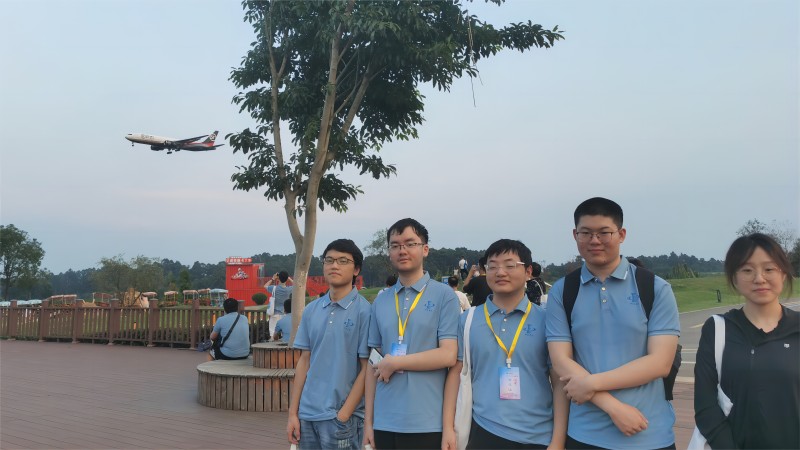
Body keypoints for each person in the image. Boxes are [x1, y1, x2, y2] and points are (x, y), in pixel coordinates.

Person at [546, 197, 680, 449]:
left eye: (604, 232)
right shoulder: (563, 291)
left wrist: (591, 384)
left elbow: (660, 363)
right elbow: (560, 360)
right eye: (586, 233)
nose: (594, 240)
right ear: (575, 235)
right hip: (584, 434)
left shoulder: (654, 288)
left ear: (621, 234)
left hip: (648, 434)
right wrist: (613, 407)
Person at [443, 239, 569, 449]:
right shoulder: (468, 320)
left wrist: (557, 441)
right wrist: (448, 427)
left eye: (510, 265)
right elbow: (456, 373)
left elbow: (559, 382)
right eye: (492, 266)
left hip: (538, 437)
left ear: (528, 272)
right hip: (483, 432)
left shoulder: (547, 321)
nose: (500, 272)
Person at [693, 233, 798, 449]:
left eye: (769, 269)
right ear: (734, 278)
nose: (759, 278)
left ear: (783, 274)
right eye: (747, 270)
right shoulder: (717, 329)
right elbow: (705, 406)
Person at [364, 218, 460, 450]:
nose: (402, 250)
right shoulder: (381, 300)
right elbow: (372, 362)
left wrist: (396, 363)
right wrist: (369, 422)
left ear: (425, 249)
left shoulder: (444, 295)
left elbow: (449, 355)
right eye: (395, 245)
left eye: (410, 243)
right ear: (389, 253)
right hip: (384, 421)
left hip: (427, 422)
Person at [287, 239, 371, 450]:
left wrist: (343, 414)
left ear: (356, 269)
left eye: (343, 261)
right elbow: (304, 361)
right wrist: (293, 413)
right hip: (307, 416)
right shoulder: (311, 310)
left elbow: (367, 368)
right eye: (329, 260)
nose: (334, 266)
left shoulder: (365, 311)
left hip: (341, 419)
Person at [265, 270, 293, 339]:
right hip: (284, 314)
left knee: (272, 335)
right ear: (286, 279)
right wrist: (289, 278)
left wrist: (273, 279)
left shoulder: (274, 288)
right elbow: (296, 286)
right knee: (283, 335)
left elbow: (265, 286)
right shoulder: (288, 289)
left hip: (274, 314)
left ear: (278, 279)